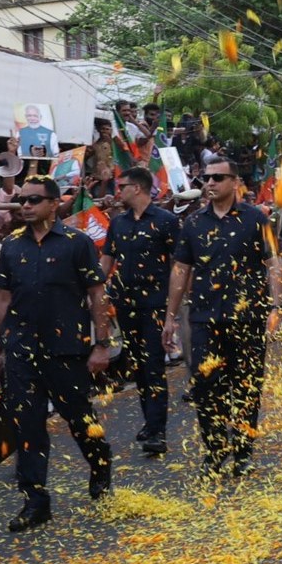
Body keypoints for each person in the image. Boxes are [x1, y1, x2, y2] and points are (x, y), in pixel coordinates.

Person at [0, 175, 115, 532]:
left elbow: (96, 295)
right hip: (22, 350)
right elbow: (2, 298)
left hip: (66, 350)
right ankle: (35, 500)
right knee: (28, 425)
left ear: (53, 204)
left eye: (33, 200)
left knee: (79, 419)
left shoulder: (77, 243)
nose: (25, 206)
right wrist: (0, 346)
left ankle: (100, 462)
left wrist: (101, 344)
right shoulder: (11, 246)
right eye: (22, 201)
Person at [165, 158, 282, 477]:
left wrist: (276, 306)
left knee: (246, 388)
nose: (210, 183)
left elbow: (273, 263)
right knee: (206, 388)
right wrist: (170, 317)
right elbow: (181, 269)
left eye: (218, 177)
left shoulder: (256, 219)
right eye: (207, 178)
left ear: (235, 182)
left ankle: (243, 452)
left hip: (248, 319)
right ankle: (216, 451)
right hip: (205, 320)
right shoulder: (193, 223)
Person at [104, 166, 179, 456]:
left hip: (156, 304)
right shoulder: (118, 223)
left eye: (121, 185)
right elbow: (107, 261)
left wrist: (173, 308)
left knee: (153, 366)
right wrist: (96, 291)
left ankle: (157, 430)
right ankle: (150, 420)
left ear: (137, 188)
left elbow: (179, 265)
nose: (117, 191)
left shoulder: (166, 221)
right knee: (138, 366)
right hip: (125, 304)